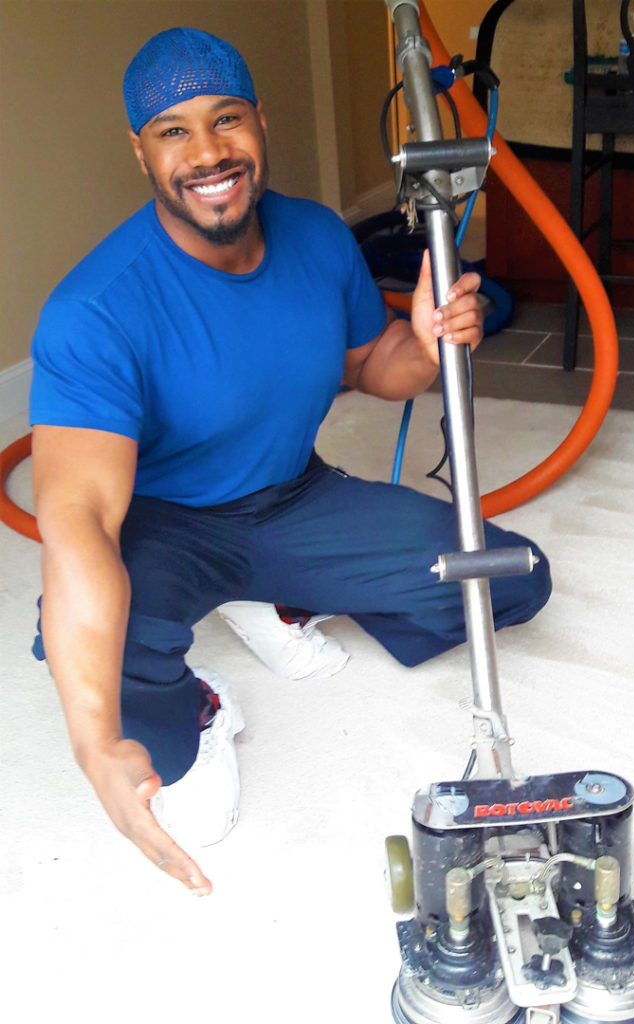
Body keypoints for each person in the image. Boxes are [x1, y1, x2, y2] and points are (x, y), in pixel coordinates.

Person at [29, 27, 551, 897]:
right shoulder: (98, 309)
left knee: (515, 578)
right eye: (174, 131)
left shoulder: (314, 237)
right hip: (165, 527)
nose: (207, 153)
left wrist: (420, 343)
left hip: (294, 499)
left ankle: (271, 595)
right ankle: (201, 697)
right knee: (107, 673)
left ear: (260, 123)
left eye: (226, 119)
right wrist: (91, 737)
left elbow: (371, 367)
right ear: (141, 151)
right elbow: (78, 517)